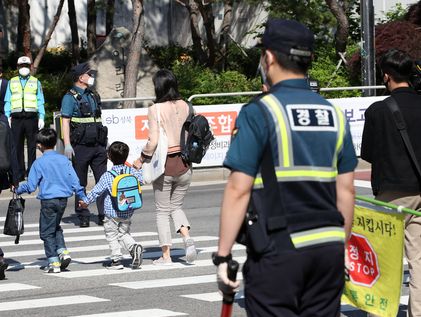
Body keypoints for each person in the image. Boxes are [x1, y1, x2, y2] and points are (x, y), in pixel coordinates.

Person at [214, 19, 357, 316]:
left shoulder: (259, 112)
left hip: (280, 250)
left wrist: (223, 255)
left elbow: (238, 189)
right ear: (310, 59)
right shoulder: (335, 115)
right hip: (328, 247)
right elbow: (346, 191)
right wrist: (339, 248)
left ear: (269, 57)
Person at [361, 48, 421, 317]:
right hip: (420, 191)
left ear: (386, 76)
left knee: (386, 259)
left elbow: (368, 153)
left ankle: (382, 311)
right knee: (419, 259)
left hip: (391, 193)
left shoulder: (378, 110)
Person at [137, 69, 197, 266]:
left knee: (162, 211)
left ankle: (166, 256)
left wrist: (141, 158)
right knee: (176, 206)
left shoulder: (156, 109)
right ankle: (187, 238)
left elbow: (153, 141)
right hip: (186, 164)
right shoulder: (187, 105)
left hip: (166, 165)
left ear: (158, 86)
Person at [15, 128, 86, 273]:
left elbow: (31, 185)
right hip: (63, 200)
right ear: (54, 143)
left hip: (48, 201)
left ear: (39, 145)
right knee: (55, 226)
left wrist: (17, 190)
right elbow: (75, 180)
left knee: (46, 232)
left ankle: (53, 262)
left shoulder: (39, 163)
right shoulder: (64, 160)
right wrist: (82, 196)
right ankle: (62, 251)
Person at [79, 141, 144, 270]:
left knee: (112, 235)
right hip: (128, 210)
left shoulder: (108, 176)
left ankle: (116, 260)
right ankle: (133, 247)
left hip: (111, 212)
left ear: (109, 157)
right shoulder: (131, 171)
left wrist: (85, 202)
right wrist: (137, 169)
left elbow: (96, 191)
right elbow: (141, 181)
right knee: (123, 233)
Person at [60, 62, 108, 228]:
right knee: (80, 184)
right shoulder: (69, 97)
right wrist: (67, 144)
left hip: (98, 146)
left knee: (103, 181)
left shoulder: (93, 95)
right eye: (89, 74)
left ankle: (103, 214)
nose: (91, 76)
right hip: (80, 146)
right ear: (81, 77)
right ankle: (83, 215)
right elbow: (65, 121)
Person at [4, 56, 45, 180]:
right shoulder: (12, 82)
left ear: (30, 67)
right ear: (17, 67)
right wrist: (7, 117)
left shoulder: (35, 82)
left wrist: (41, 116)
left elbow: (40, 100)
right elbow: (7, 101)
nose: (24, 68)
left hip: (31, 118)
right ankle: (20, 173)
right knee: (17, 146)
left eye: (26, 66)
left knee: (32, 146)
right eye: (21, 66)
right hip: (16, 118)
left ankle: (32, 173)